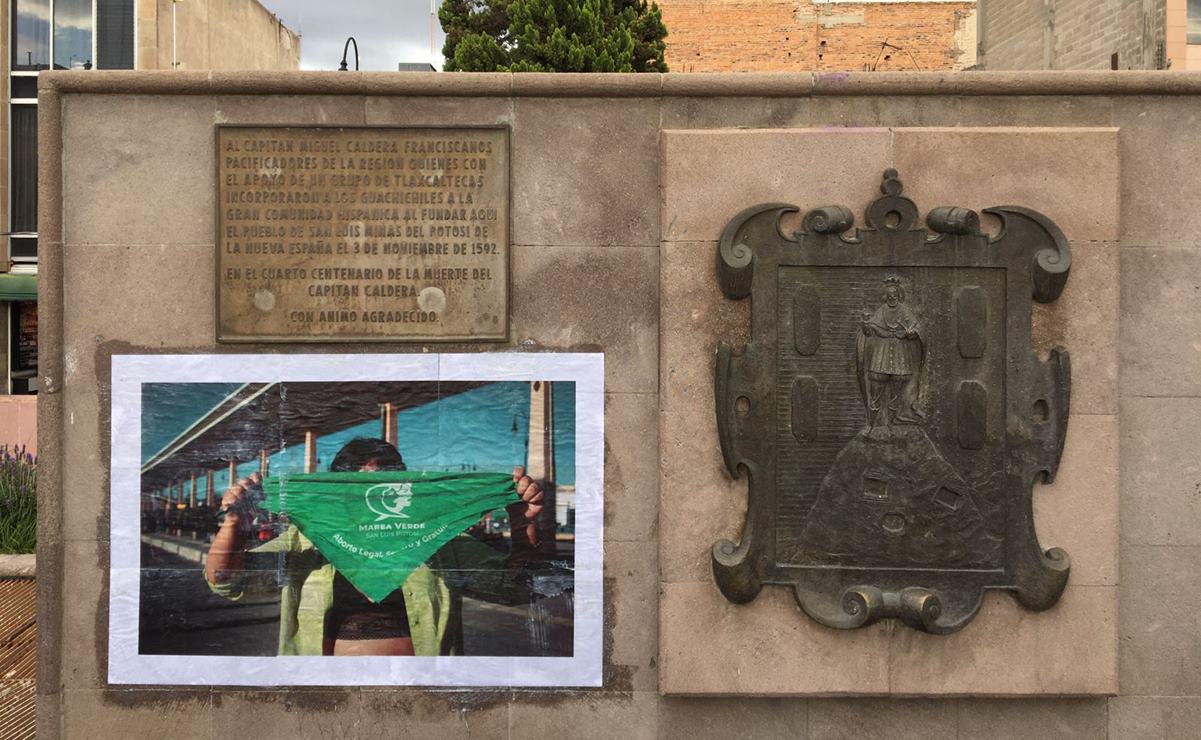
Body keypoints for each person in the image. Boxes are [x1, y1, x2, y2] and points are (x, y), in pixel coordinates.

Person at [204, 437, 546, 656]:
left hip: (422, 695)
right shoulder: (304, 538)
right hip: (320, 695)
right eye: (357, 480)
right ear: (337, 489)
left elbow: (516, 589)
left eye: (385, 478)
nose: (372, 490)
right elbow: (226, 580)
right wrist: (234, 522)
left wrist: (522, 523)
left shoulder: (441, 540)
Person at [857, 275, 924, 427]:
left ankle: (893, 420)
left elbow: (916, 330)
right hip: (882, 352)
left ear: (899, 295)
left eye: (894, 294)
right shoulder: (881, 311)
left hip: (900, 353)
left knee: (897, 385)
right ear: (885, 296)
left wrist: (910, 333)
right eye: (889, 294)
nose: (892, 297)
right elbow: (869, 332)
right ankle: (873, 422)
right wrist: (865, 326)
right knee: (877, 384)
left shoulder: (905, 310)